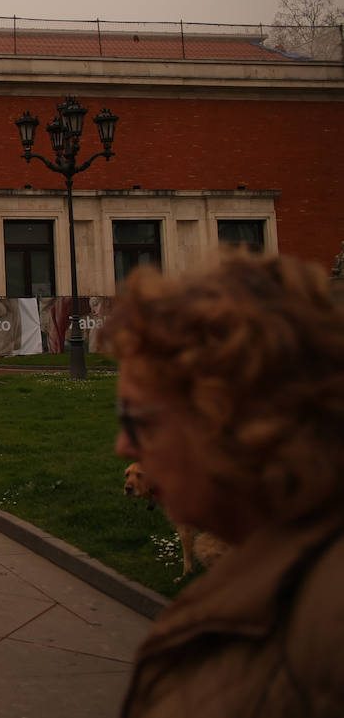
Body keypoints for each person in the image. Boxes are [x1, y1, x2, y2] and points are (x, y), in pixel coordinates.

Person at [104, 253, 344, 717]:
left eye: (137, 421)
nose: (122, 448)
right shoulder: (274, 570)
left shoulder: (319, 637)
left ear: (222, 420)